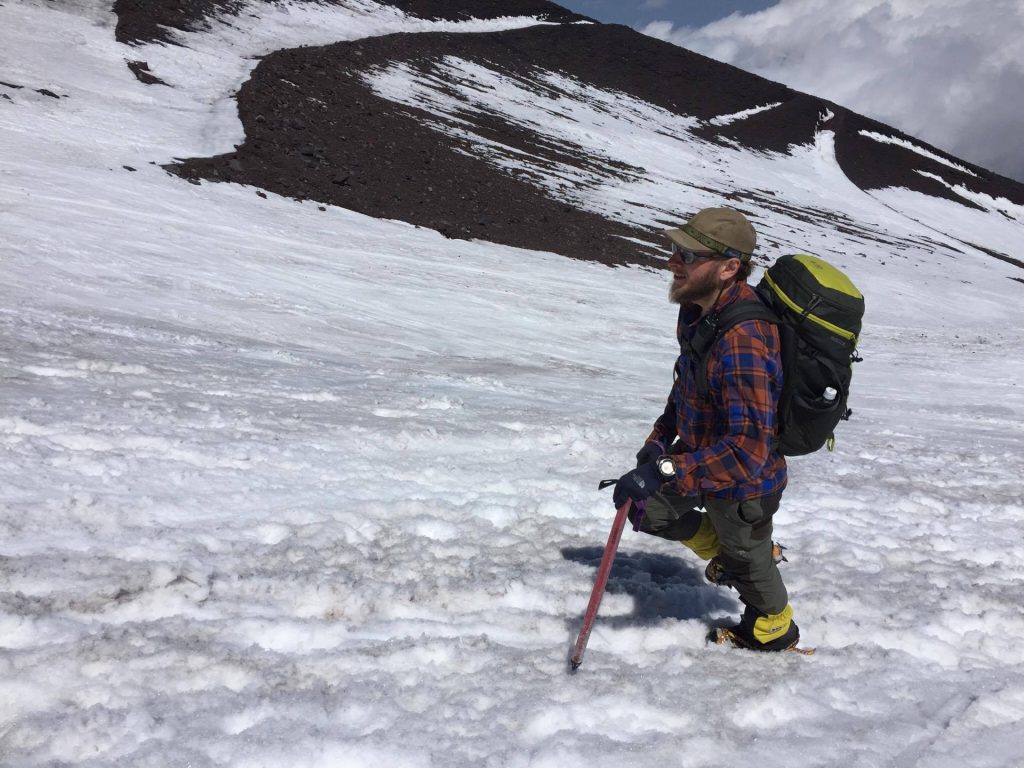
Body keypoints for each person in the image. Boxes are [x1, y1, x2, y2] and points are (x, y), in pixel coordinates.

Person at [611, 206, 799, 652]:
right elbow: (686, 387)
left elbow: (748, 450)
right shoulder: (699, 314)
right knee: (643, 509)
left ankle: (773, 627)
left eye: (688, 256)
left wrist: (667, 470)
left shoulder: (745, 340)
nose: (673, 262)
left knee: (751, 568)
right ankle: (721, 545)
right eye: (675, 250)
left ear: (729, 268)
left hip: (743, 487)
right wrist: (658, 441)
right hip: (699, 462)